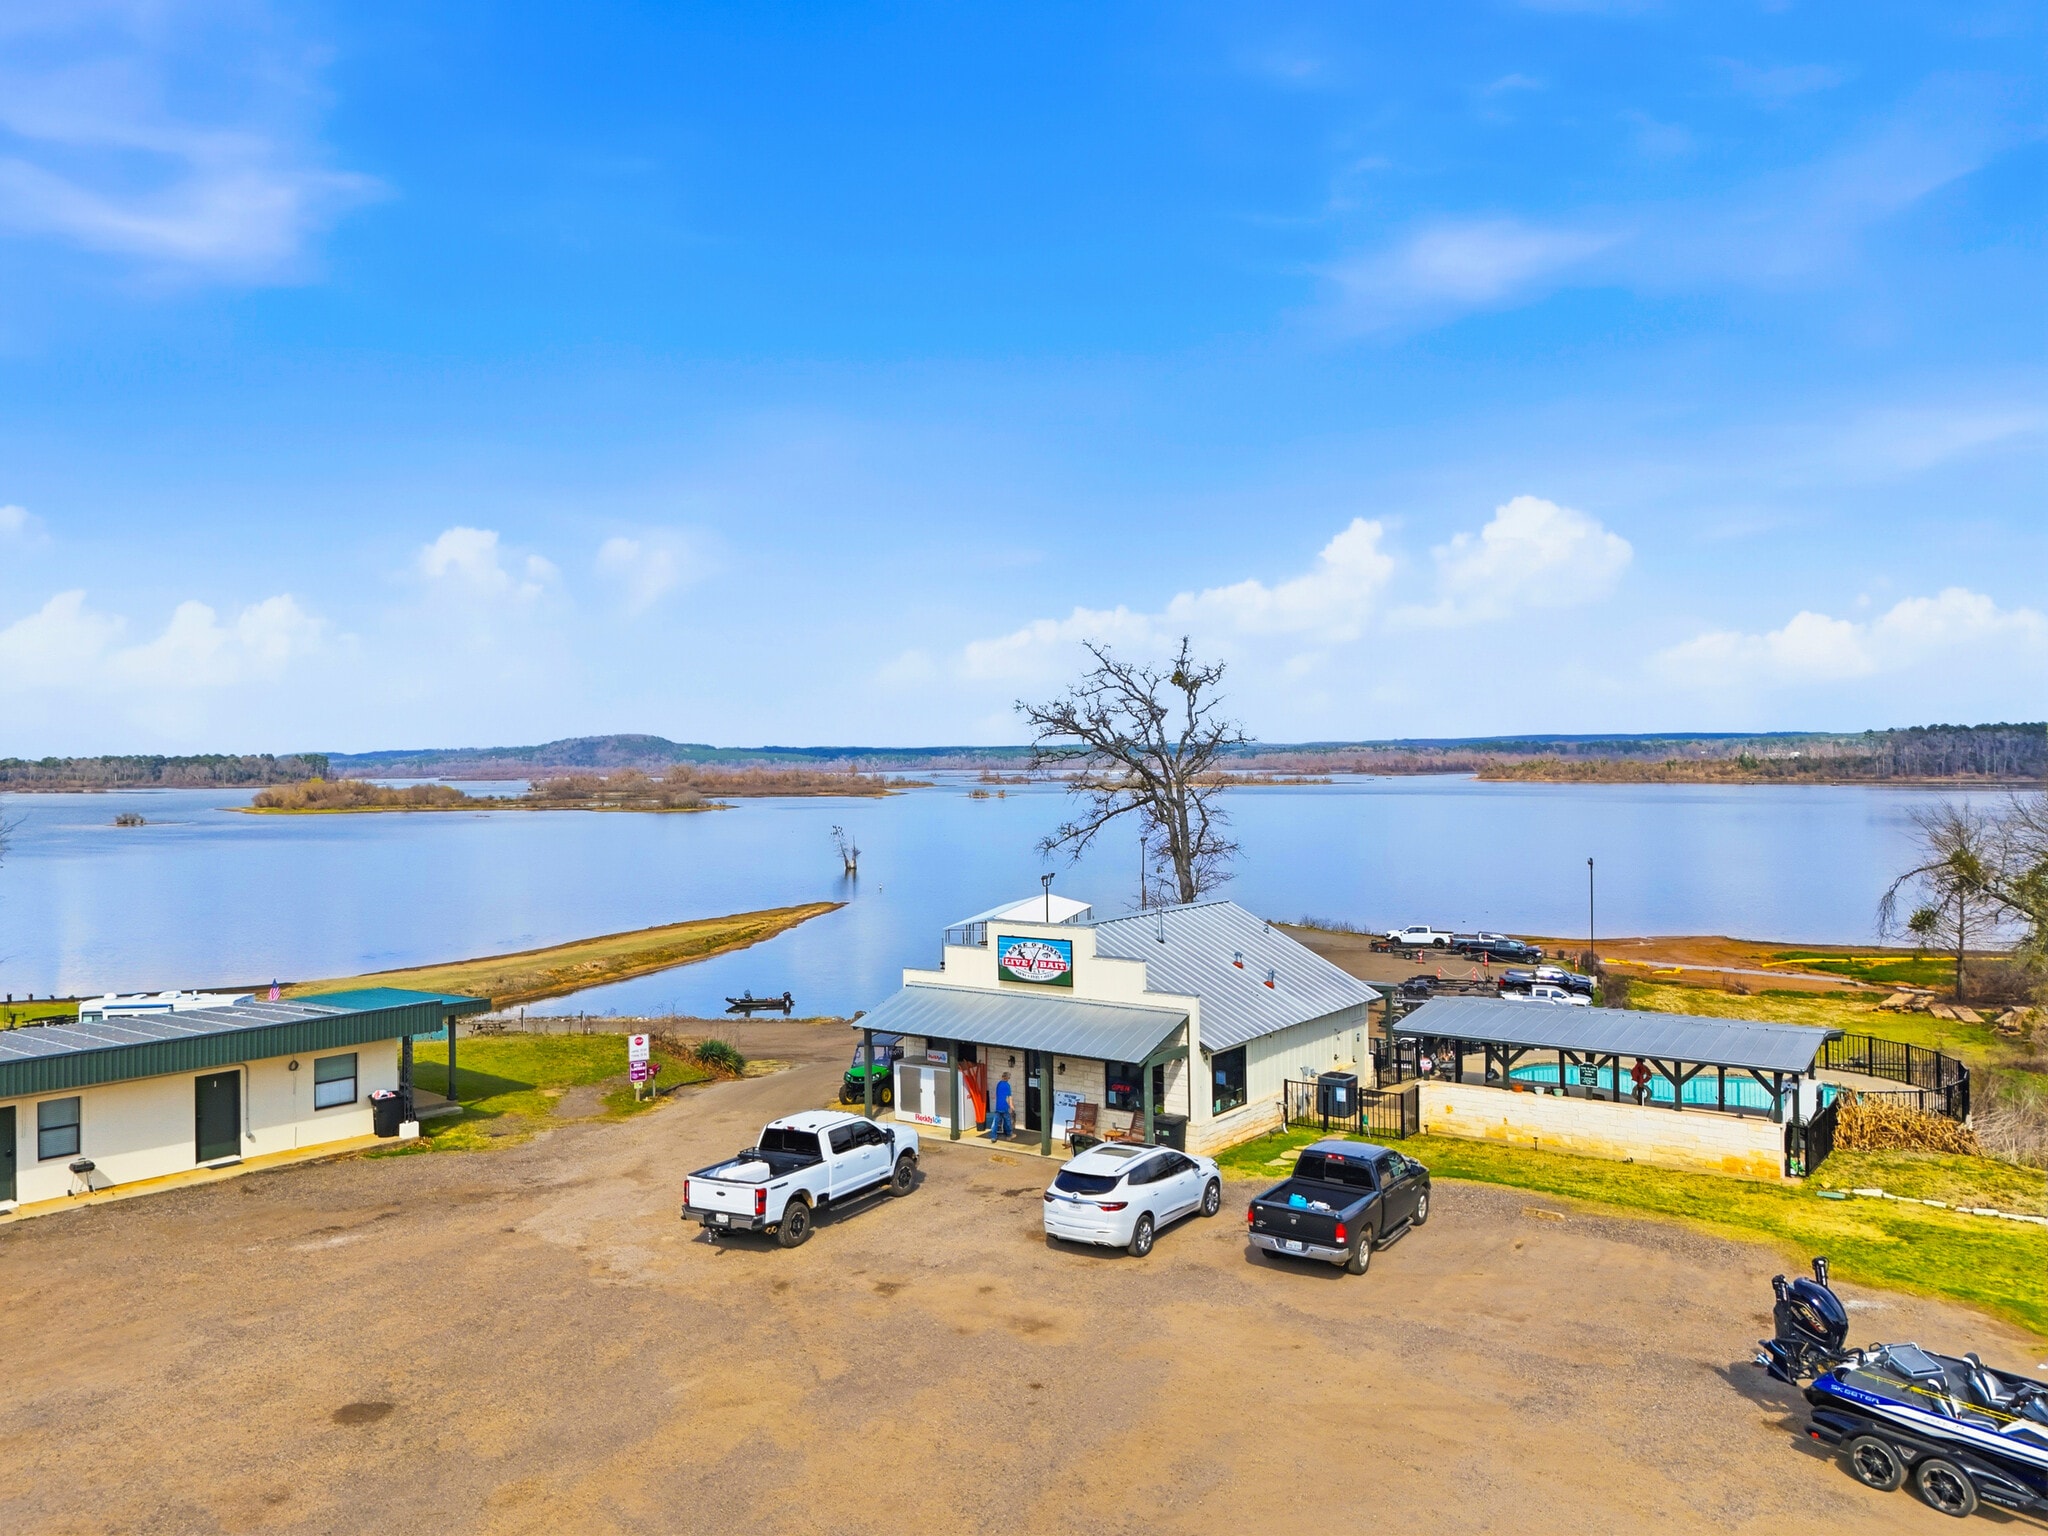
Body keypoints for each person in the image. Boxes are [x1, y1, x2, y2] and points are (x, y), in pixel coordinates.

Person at [989, 1071, 1014, 1140]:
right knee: (1007, 1122)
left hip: (998, 1106)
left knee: (995, 1122)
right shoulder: (1007, 1085)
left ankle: (993, 1136)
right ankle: (1009, 1135)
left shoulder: (999, 1084)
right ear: (1007, 1078)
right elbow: (1009, 1096)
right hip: (1005, 1107)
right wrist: (1011, 1105)